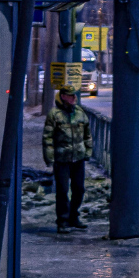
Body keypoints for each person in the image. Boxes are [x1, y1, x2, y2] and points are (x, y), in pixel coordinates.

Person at [43, 85, 92, 234]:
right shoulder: (54, 114)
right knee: (63, 190)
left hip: (78, 158)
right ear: (63, 96)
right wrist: (50, 157)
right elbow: (48, 138)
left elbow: (87, 135)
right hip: (62, 159)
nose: (73, 98)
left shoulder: (80, 113)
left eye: (74, 96)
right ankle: (62, 220)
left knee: (79, 189)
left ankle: (73, 216)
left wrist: (87, 152)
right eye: (70, 96)